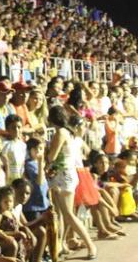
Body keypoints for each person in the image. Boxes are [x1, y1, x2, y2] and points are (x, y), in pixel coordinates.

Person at [47, 106, 96, 259]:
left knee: (68, 214)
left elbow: (52, 157)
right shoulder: (69, 132)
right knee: (61, 213)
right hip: (65, 174)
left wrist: (46, 152)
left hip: (64, 176)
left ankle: (90, 245)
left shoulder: (60, 133)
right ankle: (61, 244)